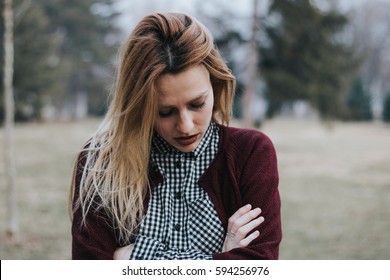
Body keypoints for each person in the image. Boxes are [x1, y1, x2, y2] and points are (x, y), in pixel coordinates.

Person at [69, 12, 281, 260]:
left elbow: (260, 265)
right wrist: (221, 261)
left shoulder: (250, 154)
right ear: (139, 106)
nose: (186, 126)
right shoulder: (101, 161)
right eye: (165, 112)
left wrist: (131, 258)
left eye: (197, 104)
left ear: (216, 84)